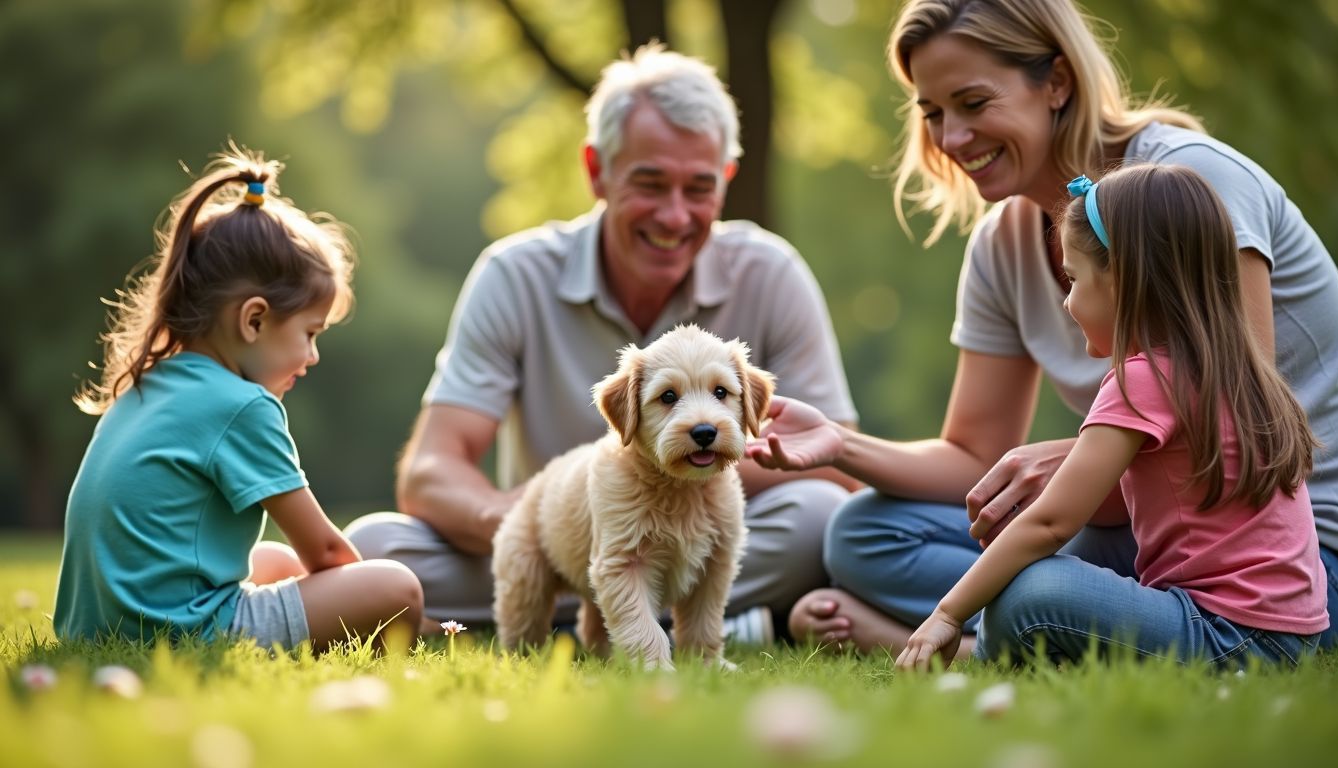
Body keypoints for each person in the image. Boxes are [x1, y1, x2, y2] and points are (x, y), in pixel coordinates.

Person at [750, 0, 1338, 656]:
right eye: (933, 114)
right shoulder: (1001, 244)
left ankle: (982, 636)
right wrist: (839, 445)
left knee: (1036, 579)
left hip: (1299, 556)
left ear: (1057, 81)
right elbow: (975, 455)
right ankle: (1039, 623)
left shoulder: (1188, 187)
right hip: (1157, 537)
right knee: (866, 532)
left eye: (973, 103)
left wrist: (1072, 468)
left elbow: (1231, 426)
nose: (950, 139)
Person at [344, 44, 860, 638]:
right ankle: (617, 611)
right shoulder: (514, 273)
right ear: (597, 170)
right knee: (377, 545)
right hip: (546, 546)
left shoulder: (772, 271)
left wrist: (691, 479)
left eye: (699, 187)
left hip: (709, 547)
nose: (673, 216)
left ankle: (672, 618)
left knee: (821, 518)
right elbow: (429, 470)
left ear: (727, 179)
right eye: (649, 183)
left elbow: (834, 466)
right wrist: (536, 529)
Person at [892, 163, 1326, 668]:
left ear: (1121, 279)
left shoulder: (1144, 379)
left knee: (1033, 589)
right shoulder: (1237, 366)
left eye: (1073, 279)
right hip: (1289, 635)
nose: (1067, 300)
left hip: (1228, 635)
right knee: (1075, 552)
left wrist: (947, 612)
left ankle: (980, 667)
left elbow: (1051, 521)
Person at [54, 147, 425, 652]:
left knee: (276, 563)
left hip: (97, 630)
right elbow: (327, 551)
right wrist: (390, 614)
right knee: (395, 587)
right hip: (181, 633)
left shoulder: (150, 384)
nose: (312, 357)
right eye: (310, 334)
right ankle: (376, 664)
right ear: (253, 320)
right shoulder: (241, 405)